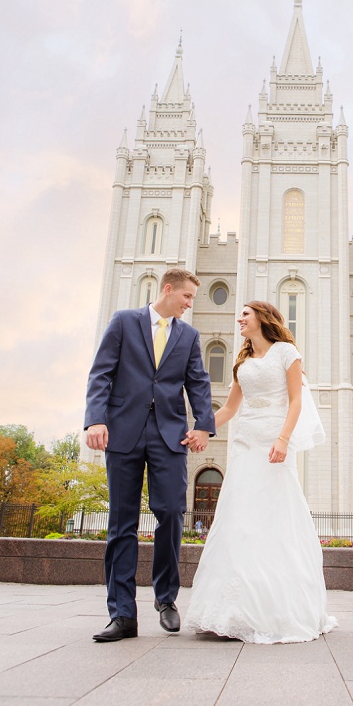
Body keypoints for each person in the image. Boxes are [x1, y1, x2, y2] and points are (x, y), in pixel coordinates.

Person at [185, 301, 336, 644]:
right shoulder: (242, 363)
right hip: (244, 445)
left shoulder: (286, 353)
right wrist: (203, 430)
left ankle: (274, 609)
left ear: (262, 318)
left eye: (245, 314)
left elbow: (296, 401)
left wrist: (283, 439)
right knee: (239, 520)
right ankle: (229, 610)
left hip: (274, 446)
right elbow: (229, 408)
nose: (239, 319)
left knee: (272, 519)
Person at [85, 268, 215, 642]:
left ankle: (166, 599)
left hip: (170, 437)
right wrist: (96, 420)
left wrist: (204, 425)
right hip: (123, 432)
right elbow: (101, 374)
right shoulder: (124, 322)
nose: (191, 304)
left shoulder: (188, 336)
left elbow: (198, 382)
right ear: (169, 289)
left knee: (172, 512)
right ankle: (122, 614)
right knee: (121, 522)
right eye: (187, 296)